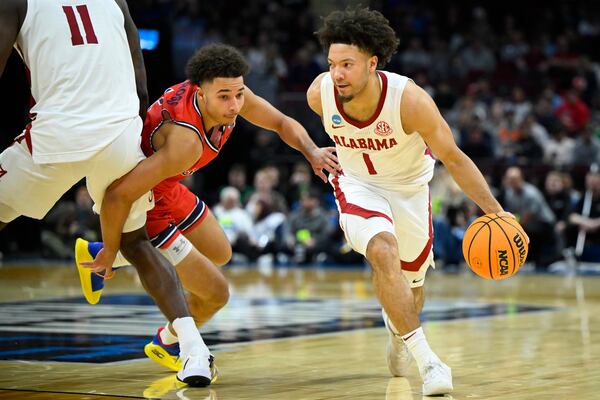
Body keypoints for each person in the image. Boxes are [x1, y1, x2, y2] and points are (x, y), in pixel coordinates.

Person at [76, 44, 340, 373]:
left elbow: (282, 122)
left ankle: (104, 254)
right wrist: (116, 245)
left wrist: (312, 152)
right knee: (216, 293)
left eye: (239, 94)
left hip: (168, 187)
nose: (234, 106)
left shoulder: (226, 90)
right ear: (200, 93)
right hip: (145, 203)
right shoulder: (185, 141)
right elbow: (117, 196)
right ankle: (169, 338)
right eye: (225, 97)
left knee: (220, 251)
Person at [307, 7, 523, 396]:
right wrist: (312, 151)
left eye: (347, 65)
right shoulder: (318, 95)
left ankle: (398, 332)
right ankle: (430, 362)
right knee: (383, 250)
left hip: (409, 188)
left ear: (372, 64)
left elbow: (454, 158)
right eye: (332, 64)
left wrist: (496, 211)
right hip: (356, 185)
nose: (337, 74)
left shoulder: (409, 101)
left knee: (413, 286)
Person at [0, 0, 214, 387]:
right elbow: (138, 69)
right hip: (120, 128)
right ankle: (195, 352)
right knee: (138, 243)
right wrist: (133, 132)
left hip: (57, 133)